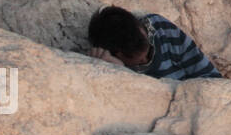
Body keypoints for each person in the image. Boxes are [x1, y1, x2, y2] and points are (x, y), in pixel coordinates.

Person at [88, 6, 222, 80]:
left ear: (141, 28)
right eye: (140, 62)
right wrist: (117, 71)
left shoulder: (160, 29)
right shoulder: (114, 61)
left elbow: (210, 76)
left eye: (149, 51)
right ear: (118, 54)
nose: (146, 60)